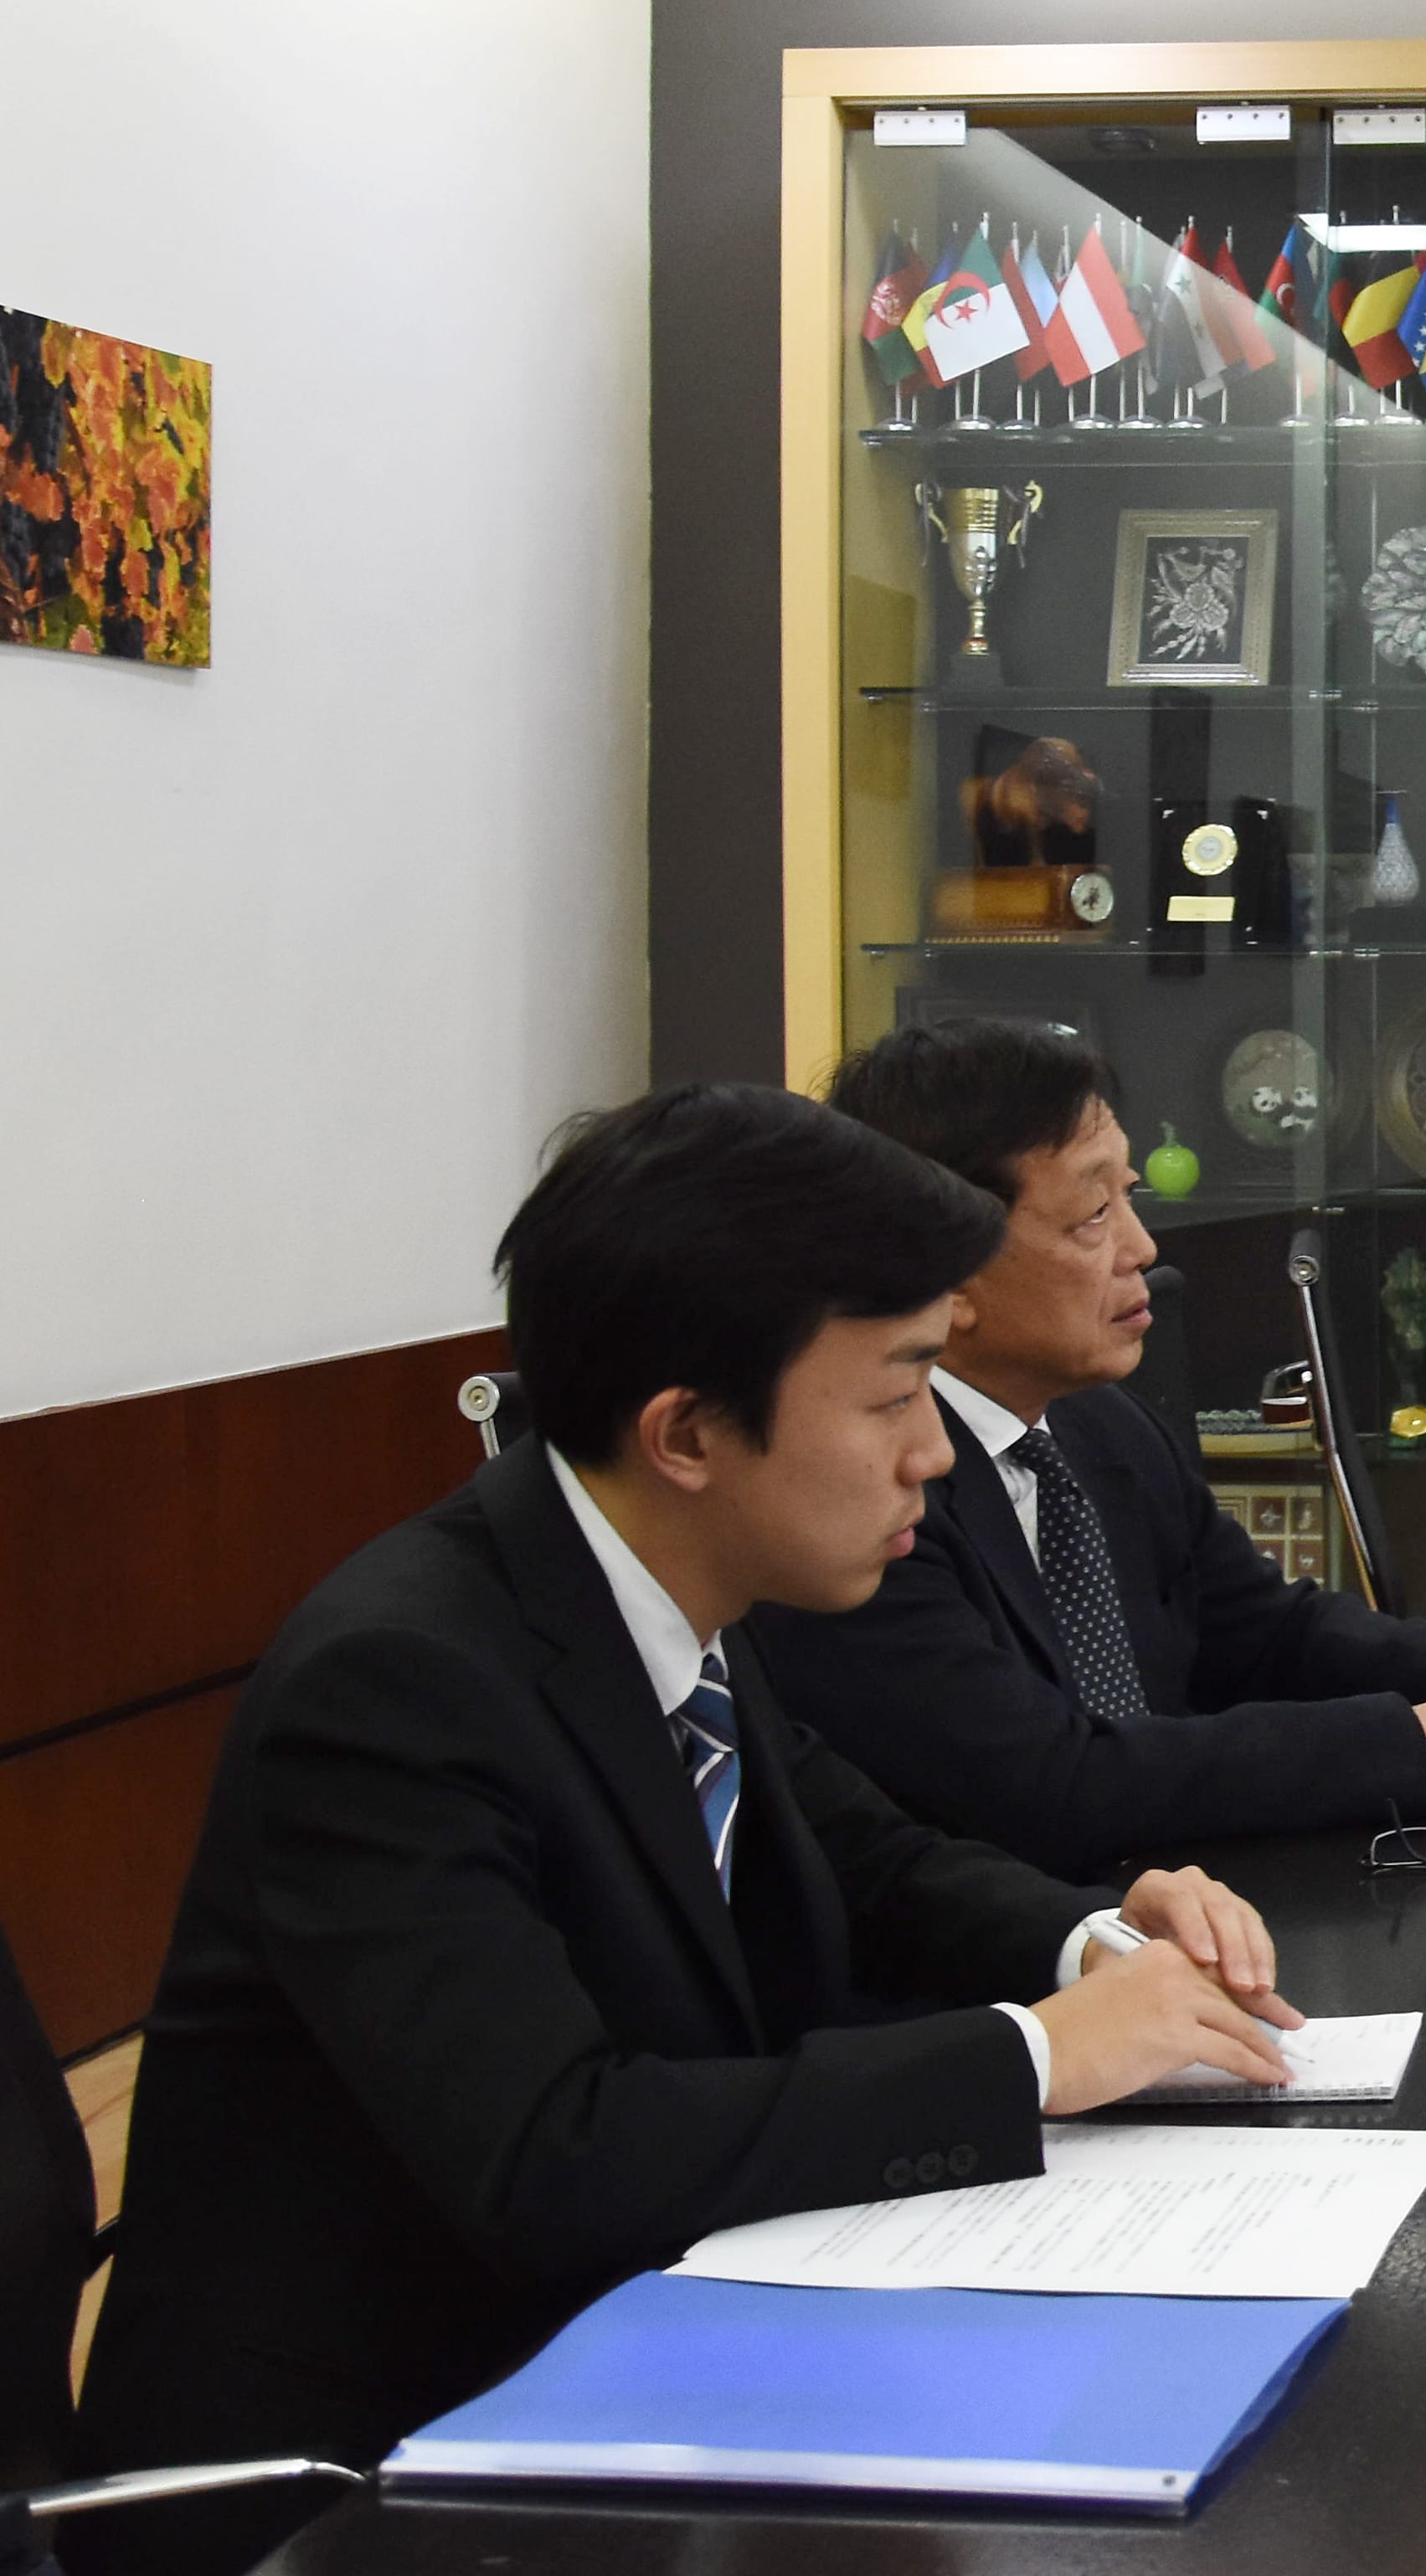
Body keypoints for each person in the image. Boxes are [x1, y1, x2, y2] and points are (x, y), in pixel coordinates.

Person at [78, 1087, 1307, 2550]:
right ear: (685, 1432)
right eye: (896, 1392)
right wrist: (1036, 2055)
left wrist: (1088, 1941)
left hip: (638, 2363)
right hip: (367, 2483)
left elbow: (870, 1859)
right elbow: (556, 2151)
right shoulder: (398, 1684)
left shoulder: (670, 1593)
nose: (933, 1450)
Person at [754, 1019, 1426, 1880]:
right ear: (952, 1273)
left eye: (1128, 1196)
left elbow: (1265, 1633)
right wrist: (1414, 1738)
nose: (1143, 1247)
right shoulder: (873, 1491)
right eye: (1094, 1215)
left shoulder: (1100, 1424)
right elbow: (1049, 1782)